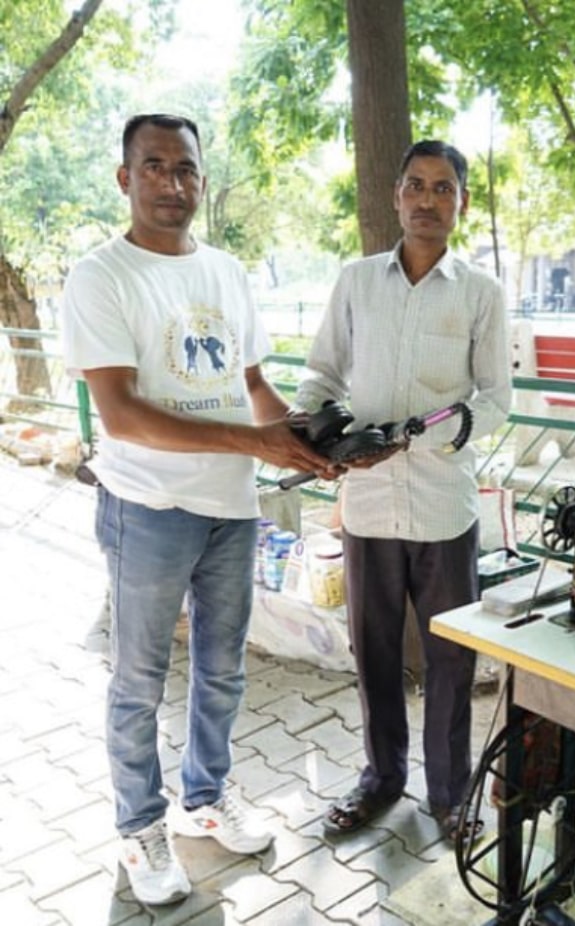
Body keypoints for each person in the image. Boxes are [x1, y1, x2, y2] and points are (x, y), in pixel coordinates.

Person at [60, 113, 335, 906]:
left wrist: (307, 445)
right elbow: (120, 414)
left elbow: (252, 389)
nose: (172, 183)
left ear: (201, 179)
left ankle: (205, 802)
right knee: (139, 678)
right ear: (125, 178)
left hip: (230, 507)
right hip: (145, 505)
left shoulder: (225, 270)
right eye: (154, 167)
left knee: (222, 669)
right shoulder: (101, 276)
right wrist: (255, 447)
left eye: (185, 169)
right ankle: (140, 827)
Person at [294, 140, 511, 842]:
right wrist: (320, 435)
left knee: (451, 655)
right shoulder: (356, 281)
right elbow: (321, 373)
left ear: (461, 202)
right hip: (366, 504)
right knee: (374, 650)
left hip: (444, 506)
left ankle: (448, 796)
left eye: (442, 188)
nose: (426, 199)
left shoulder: (482, 292)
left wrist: (418, 436)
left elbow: (496, 399)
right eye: (414, 185)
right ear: (395, 196)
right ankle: (381, 779)